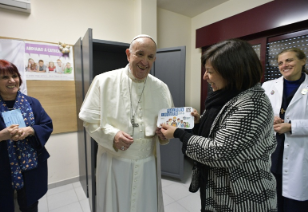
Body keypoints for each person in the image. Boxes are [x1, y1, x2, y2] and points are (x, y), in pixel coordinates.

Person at [160, 39, 277, 212]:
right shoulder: (225, 96)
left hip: (243, 195)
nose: (205, 77)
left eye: (210, 72)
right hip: (217, 188)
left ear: (232, 73)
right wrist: (200, 123)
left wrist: (179, 134)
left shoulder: (252, 104)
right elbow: (218, 132)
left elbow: (220, 152)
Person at [79, 34, 173, 212]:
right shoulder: (103, 80)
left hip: (148, 164)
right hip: (114, 162)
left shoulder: (161, 88)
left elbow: (168, 126)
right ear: (128, 54)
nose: (145, 62)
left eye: (150, 57)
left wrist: (163, 134)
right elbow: (89, 121)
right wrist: (111, 135)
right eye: (140, 54)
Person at [0, 59, 53, 212]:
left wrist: (30, 131)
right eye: (4, 77)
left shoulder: (32, 103)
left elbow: (46, 125)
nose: (12, 81)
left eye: (14, 76)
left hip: (31, 170)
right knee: (0, 205)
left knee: (30, 205)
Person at [262, 47, 308, 212]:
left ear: (303, 61)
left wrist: (292, 126)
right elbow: (258, 113)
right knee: (272, 197)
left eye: (289, 60)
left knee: (294, 203)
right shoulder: (268, 86)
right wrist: (270, 118)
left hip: (300, 152)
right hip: (273, 150)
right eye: (280, 62)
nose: (284, 65)